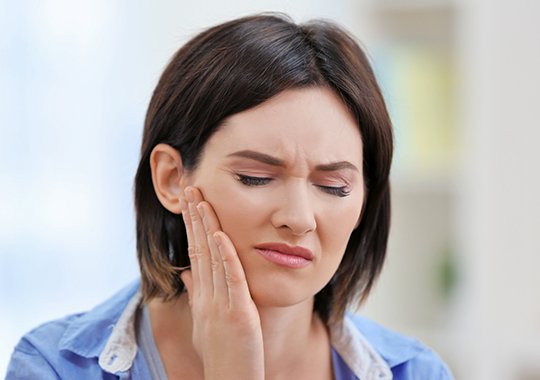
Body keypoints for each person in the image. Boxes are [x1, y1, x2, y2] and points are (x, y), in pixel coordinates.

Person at [6, 13, 453, 379]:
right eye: (256, 176)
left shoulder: (416, 373)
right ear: (171, 179)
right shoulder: (55, 367)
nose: (299, 218)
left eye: (333, 187)